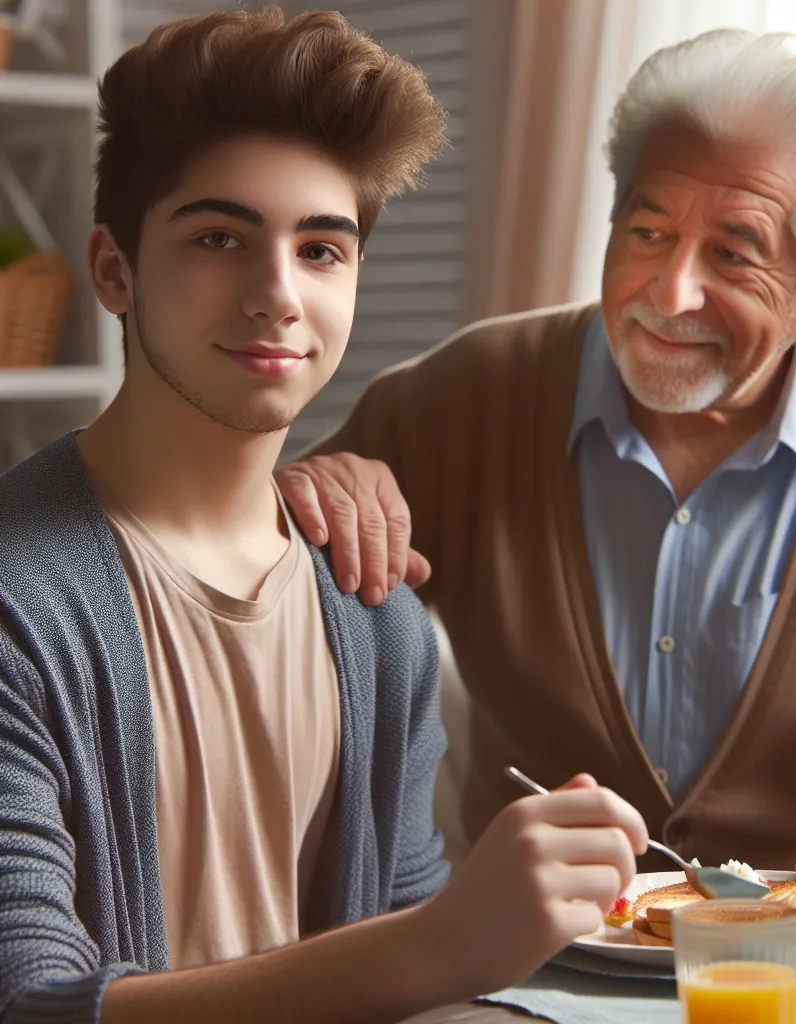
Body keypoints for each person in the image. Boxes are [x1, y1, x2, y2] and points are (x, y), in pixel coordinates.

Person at [279, 27, 796, 925]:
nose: (668, 294)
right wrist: (302, 499)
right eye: (647, 230)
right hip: (525, 970)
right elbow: (238, 578)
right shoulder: (462, 398)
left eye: (735, 252)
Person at [0, 9, 651, 1022]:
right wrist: (442, 942)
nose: (277, 294)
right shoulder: (17, 605)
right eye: (219, 237)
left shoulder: (374, 611)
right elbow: (28, 1001)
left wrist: (477, 937)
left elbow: (411, 960)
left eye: (320, 249)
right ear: (113, 268)